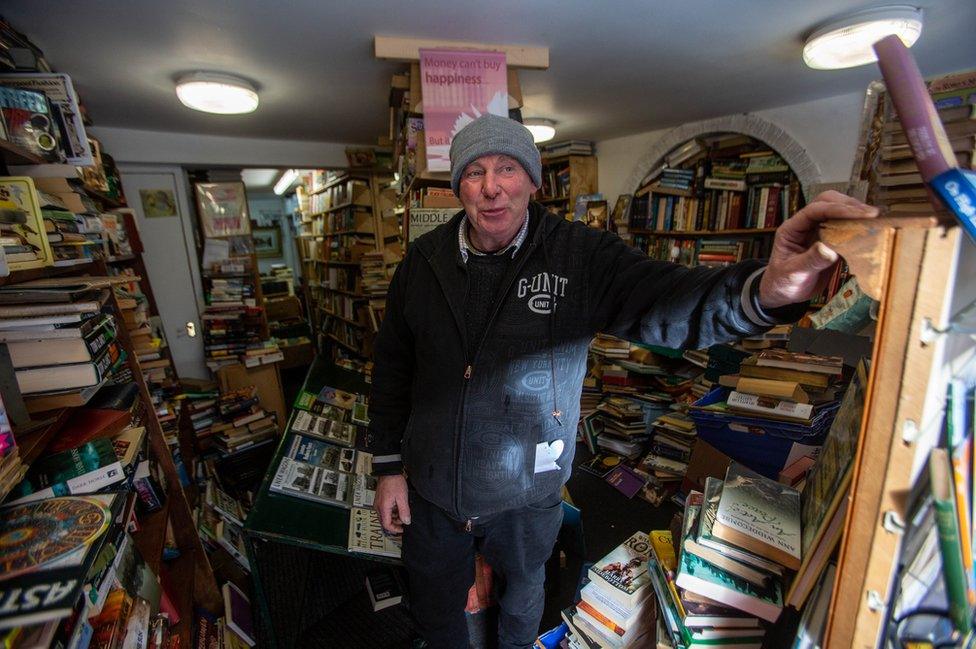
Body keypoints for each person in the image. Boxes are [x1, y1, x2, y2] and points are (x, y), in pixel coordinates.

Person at [368, 113, 877, 649]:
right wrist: (388, 466)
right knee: (434, 605)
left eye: (508, 168)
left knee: (523, 597)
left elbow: (669, 302)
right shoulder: (422, 263)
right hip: (432, 485)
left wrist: (768, 289)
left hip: (527, 487)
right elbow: (393, 368)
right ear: (457, 187)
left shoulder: (580, 257)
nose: (491, 187)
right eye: (474, 172)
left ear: (534, 181)